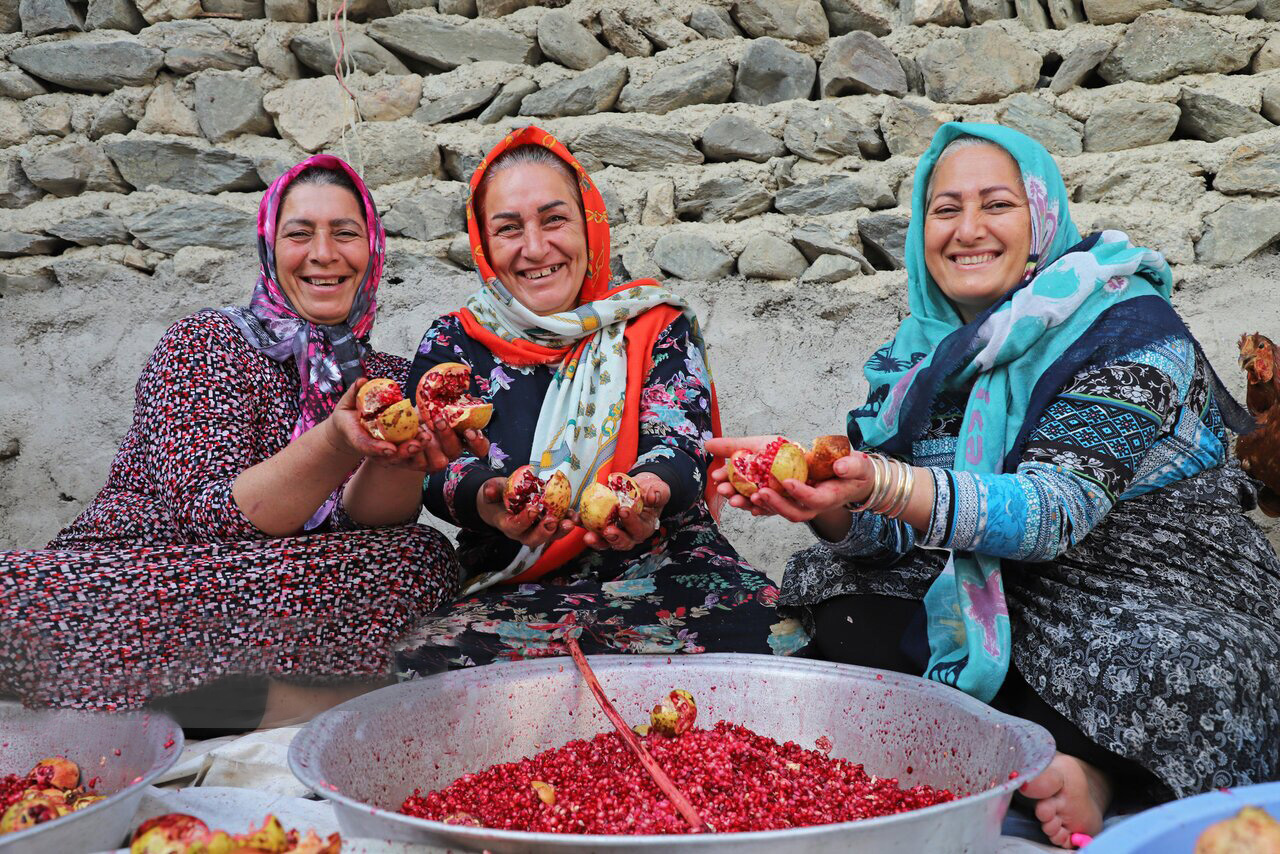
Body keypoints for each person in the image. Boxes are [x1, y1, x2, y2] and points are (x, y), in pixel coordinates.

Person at [708, 123, 1280, 848]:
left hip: (1150, 595)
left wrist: (880, 481)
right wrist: (834, 504)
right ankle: (1038, 753)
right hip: (1002, 585)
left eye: (997, 205)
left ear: (1041, 219)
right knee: (840, 600)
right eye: (945, 210)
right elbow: (896, 525)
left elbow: (1052, 511)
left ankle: (1099, 770)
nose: (967, 230)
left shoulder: (1130, 331)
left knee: (1193, 674)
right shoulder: (924, 352)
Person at [0, 154, 483, 730]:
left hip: (286, 589)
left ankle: (167, 694)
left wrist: (399, 459)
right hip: (159, 569)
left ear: (373, 249)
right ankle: (294, 702)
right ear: (269, 248)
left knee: (419, 557)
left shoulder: (388, 377)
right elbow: (212, 520)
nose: (324, 254)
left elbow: (372, 529)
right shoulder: (205, 343)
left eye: (345, 234)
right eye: (299, 233)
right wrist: (335, 440)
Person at [392, 125, 808, 673]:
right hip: (516, 572)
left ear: (589, 224)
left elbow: (681, 442)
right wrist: (493, 499)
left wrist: (646, 496)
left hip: (669, 562)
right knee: (426, 672)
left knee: (777, 645)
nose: (535, 247)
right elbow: (434, 467)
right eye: (509, 228)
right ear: (484, 245)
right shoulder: (454, 342)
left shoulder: (651, 323)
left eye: (554, 219)